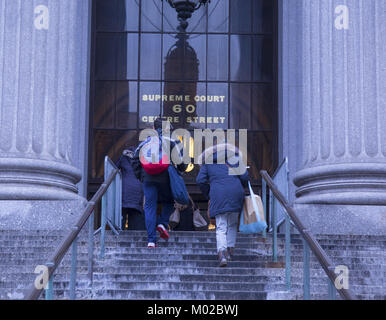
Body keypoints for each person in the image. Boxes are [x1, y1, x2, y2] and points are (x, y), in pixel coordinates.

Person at [132, 118, 186, 248]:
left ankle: (151, 241)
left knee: (150, 207)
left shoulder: (146, 142)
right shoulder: (173, 140)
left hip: (148, 177)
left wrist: (141, 176)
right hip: (166, 176)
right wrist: (179, 171)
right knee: (169, 202)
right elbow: (181, 161)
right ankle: (162, 223)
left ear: (154, 128)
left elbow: (135, 160)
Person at [196, 143, 249, 267]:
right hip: (236, 193)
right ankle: (230, 251)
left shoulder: (208, 163)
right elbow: (245, 176)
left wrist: (208, 193)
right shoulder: (234, 159)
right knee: (232, 224)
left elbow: (200, 180)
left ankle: (222, 254)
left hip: (218, 194)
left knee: (221, 226)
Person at [115, 147, 145, 230]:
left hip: (124, 195)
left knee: (121, 221)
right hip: (137, 194)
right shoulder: (141, 161)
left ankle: (119, 237)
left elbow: (114, 169)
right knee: (134, 224)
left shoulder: (123, 159)